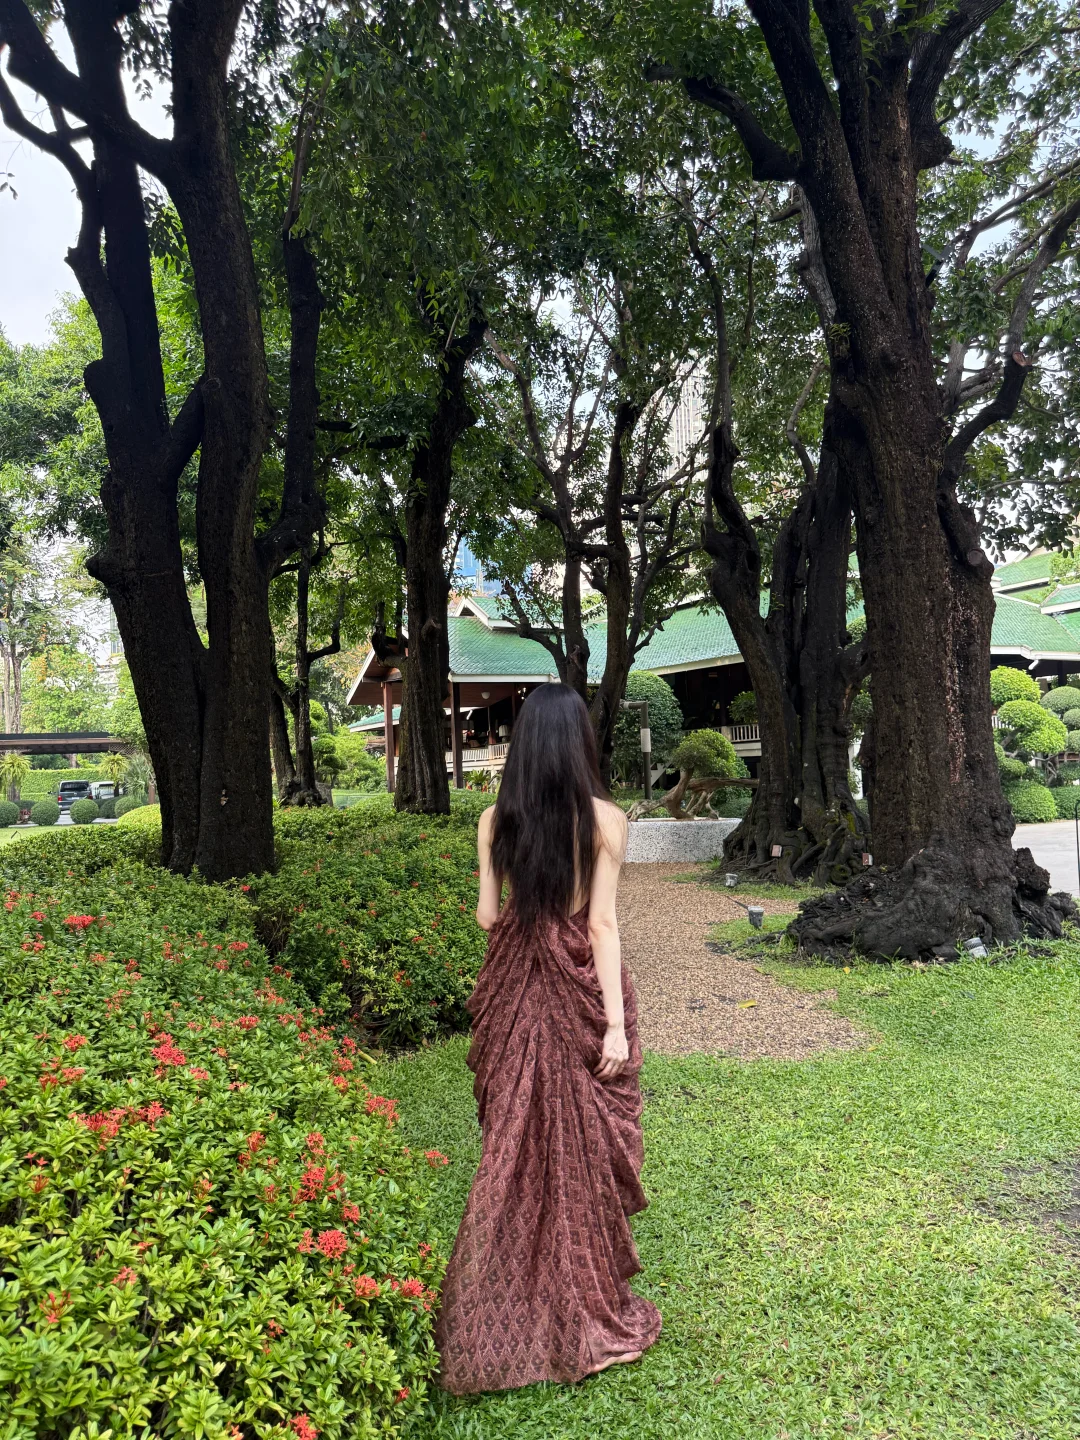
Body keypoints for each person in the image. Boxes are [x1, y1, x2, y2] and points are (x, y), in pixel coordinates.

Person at [435, 683, 662, 1394]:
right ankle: (584, 1299)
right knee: (581, 1143)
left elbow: (487, 916)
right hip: (580, 990)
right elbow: (601, 925)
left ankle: (495, 1304)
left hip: (518, 986)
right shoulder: (606, 821)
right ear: (578, 743)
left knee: (514, 1141)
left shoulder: (493, 819)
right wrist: (615, 1026)